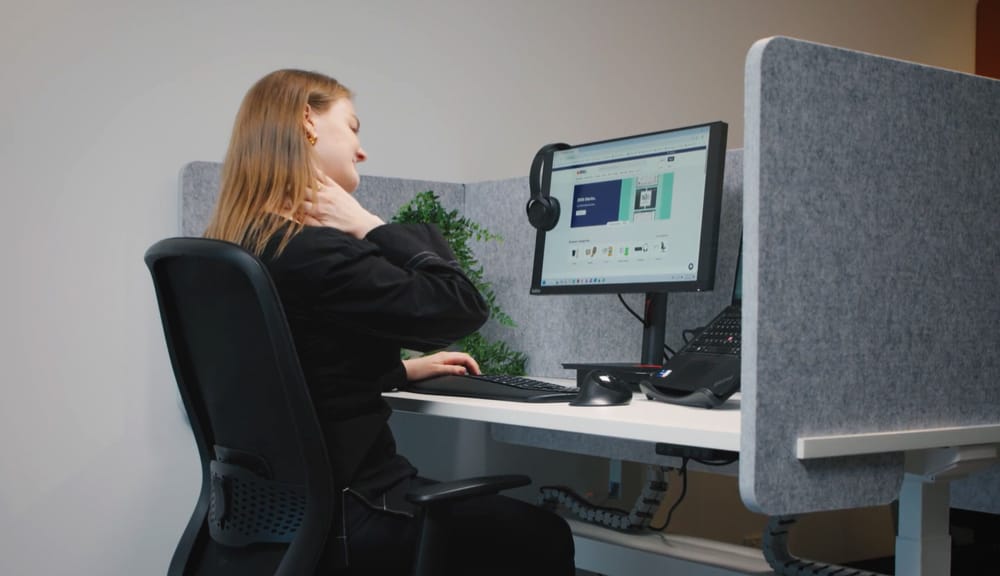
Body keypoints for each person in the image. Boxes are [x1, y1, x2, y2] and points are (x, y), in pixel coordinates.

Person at [204, 69, 576, 575]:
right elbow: (461, 305)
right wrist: (370, 225)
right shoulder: (315, 252)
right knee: (544, 536)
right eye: (353, 127)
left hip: (274, 526)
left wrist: (402, 371)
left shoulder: (236, 252)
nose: (362, 151)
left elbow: (293, 381)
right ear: (306, 122)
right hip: (360, 512)